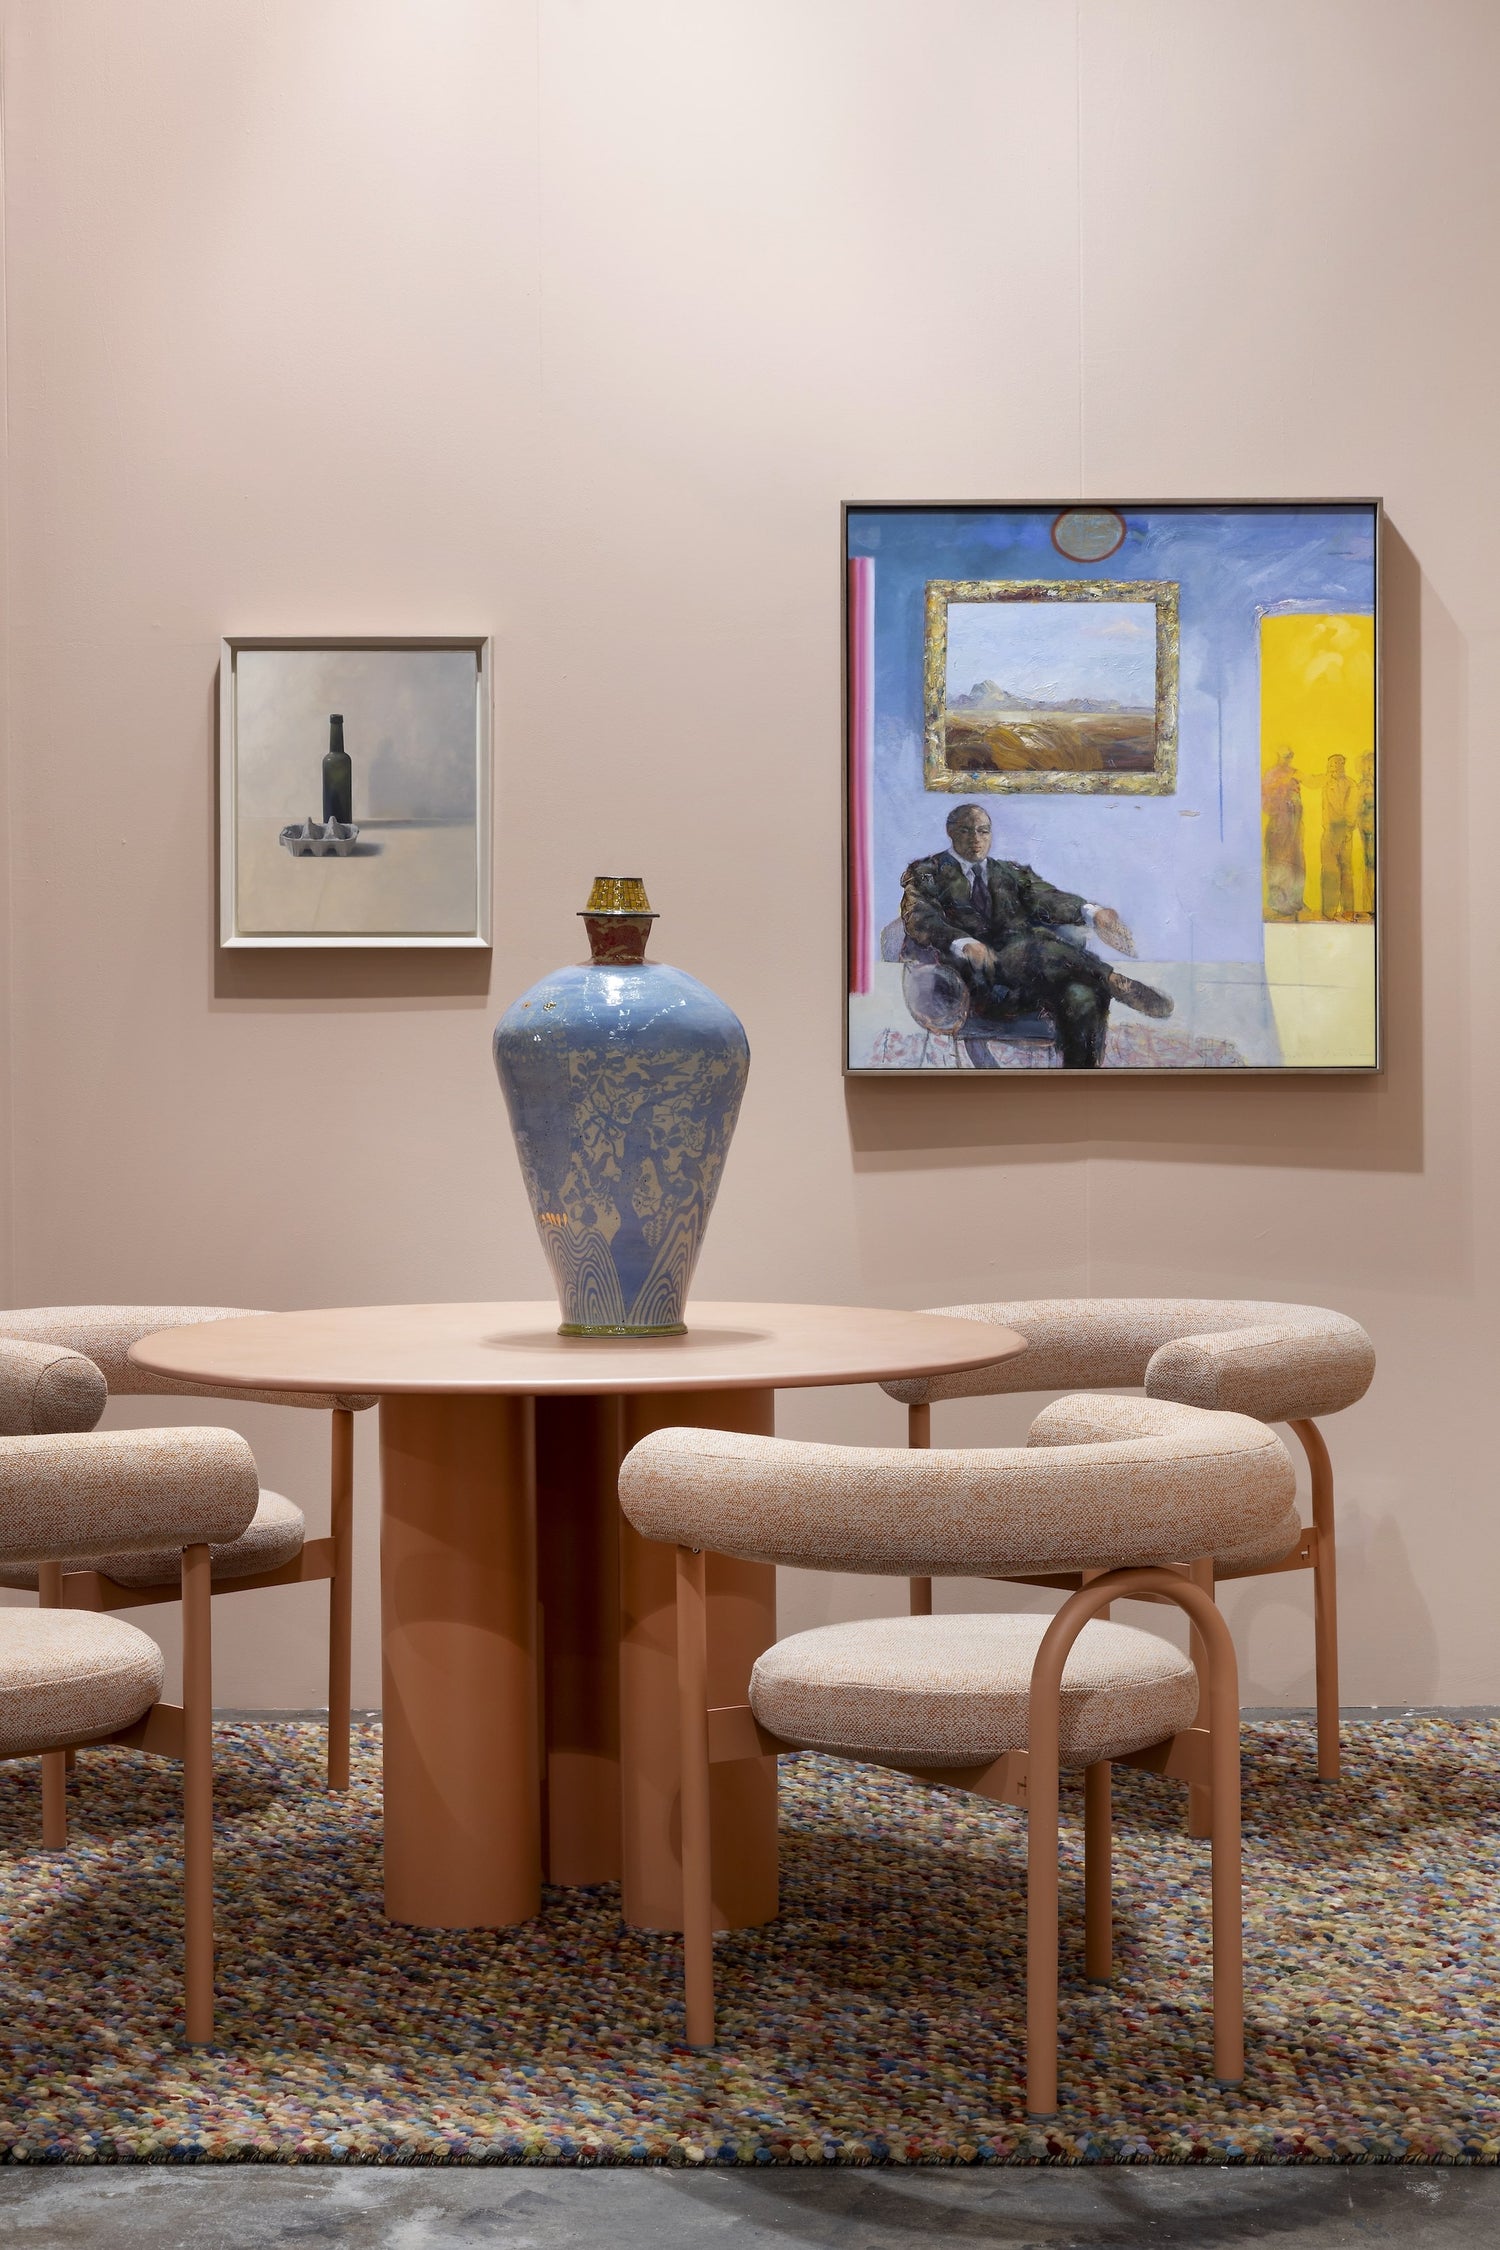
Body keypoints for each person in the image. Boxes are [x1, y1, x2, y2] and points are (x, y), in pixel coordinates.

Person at [899, 803, 1172, 1069]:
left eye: (983, 831)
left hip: (1032, 981)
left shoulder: (1009, 873)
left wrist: (1092, 912)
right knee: (1030, 947)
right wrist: (964, 943)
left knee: (1082, 994)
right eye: (966, 831)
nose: (976, 839)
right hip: (974, 984)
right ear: (951, 832)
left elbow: (1048, 898)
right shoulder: (927, 873)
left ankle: (1081, 1085)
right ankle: (1112, 979)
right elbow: (920, 918)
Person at [1262, 748, 1306, 920]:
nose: (1287, 759)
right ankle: (1278, 903)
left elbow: (1298, 802)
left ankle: (1295, 901)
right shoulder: (1271, 776)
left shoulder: (1294, 776)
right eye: (1284, 756)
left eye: (1289, 756)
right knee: (1278, 865)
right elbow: (1266, 802)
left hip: (1293, 831)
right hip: (1278, 829)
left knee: (1295, 864)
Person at [1320, 754, 1357, 920]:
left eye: (1336, 763)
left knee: (1345, 870)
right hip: (1328, 831)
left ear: (1342, 764)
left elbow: (1352, 809)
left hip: (1343, 829)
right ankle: (1329, 911)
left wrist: (1348, 829)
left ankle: (1348, 910)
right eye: (1330, 764)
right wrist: (1327, 827)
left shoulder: (1350, 784)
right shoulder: (1327, 784)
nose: (1332, 767)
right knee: (1328, 871)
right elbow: (1324, 809)